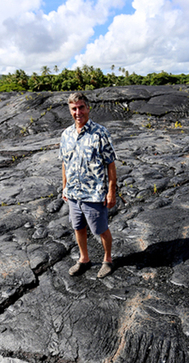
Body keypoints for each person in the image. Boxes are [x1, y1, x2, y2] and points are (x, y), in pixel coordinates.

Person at [59, 92, 117, 278]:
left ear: (88, 108)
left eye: (81, 107)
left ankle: (107, 260)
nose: (78, 112)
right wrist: (64, 187)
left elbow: (110, 163)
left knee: (101, 230)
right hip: (74, 193)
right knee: (78, 227)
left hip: (94, 193)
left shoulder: (100, 133)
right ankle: (84, 259)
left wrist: (111, 191)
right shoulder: (66, 134)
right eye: (74, 109)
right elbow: (64, 163)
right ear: (70, 111)